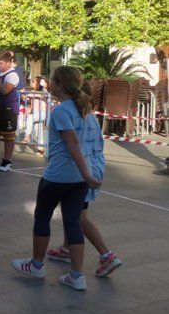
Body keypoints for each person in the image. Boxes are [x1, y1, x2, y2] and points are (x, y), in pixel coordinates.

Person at [11, 66, 102, 291]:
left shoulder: (62, 111)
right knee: (73, 223)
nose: (48, 84)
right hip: (78, 181)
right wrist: (88, 173)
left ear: (61, 85)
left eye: (52, 80)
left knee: (42, 218)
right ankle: (77, 275)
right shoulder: (85, 111)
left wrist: (86, 174)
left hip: (58, 176)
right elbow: (89, 143)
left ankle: (37, 264)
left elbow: (72, 144)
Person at [47, 81, 123, 277]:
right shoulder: (87, 116)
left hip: (83, 171)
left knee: (79, 218)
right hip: (92, 167)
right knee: (71, 210)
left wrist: (84, 173)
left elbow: (73, 144)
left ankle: (107, 255)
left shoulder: (72, 114)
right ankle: (66, 248)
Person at [23, 76, 48, 152]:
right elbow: (25, 98)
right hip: (36, 113)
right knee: (38, 130)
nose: (32, 83)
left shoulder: (42, 91)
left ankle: (27, 136)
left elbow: (47, 94)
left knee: (30, 118)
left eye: (33, 81)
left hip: (42, 113)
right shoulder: (32, 92)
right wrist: (23, 93)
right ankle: (41, 149)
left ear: (38, 83)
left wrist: (44, 86)